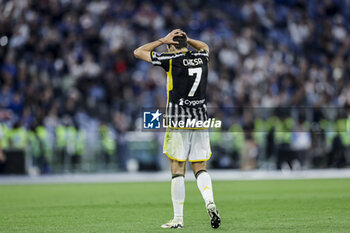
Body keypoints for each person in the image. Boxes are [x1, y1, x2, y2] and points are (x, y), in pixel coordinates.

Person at [134, 29, 221, 229]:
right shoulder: (201, 57)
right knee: (200, 167)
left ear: (172, 46)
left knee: (177, 169)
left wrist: (161, 40)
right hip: (200, 120)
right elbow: (205, 46)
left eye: (169, 45)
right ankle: (209, 201)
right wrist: (186, 39)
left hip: (177, 121)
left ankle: (178, 219)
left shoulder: (171, 60)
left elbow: (138, 52)